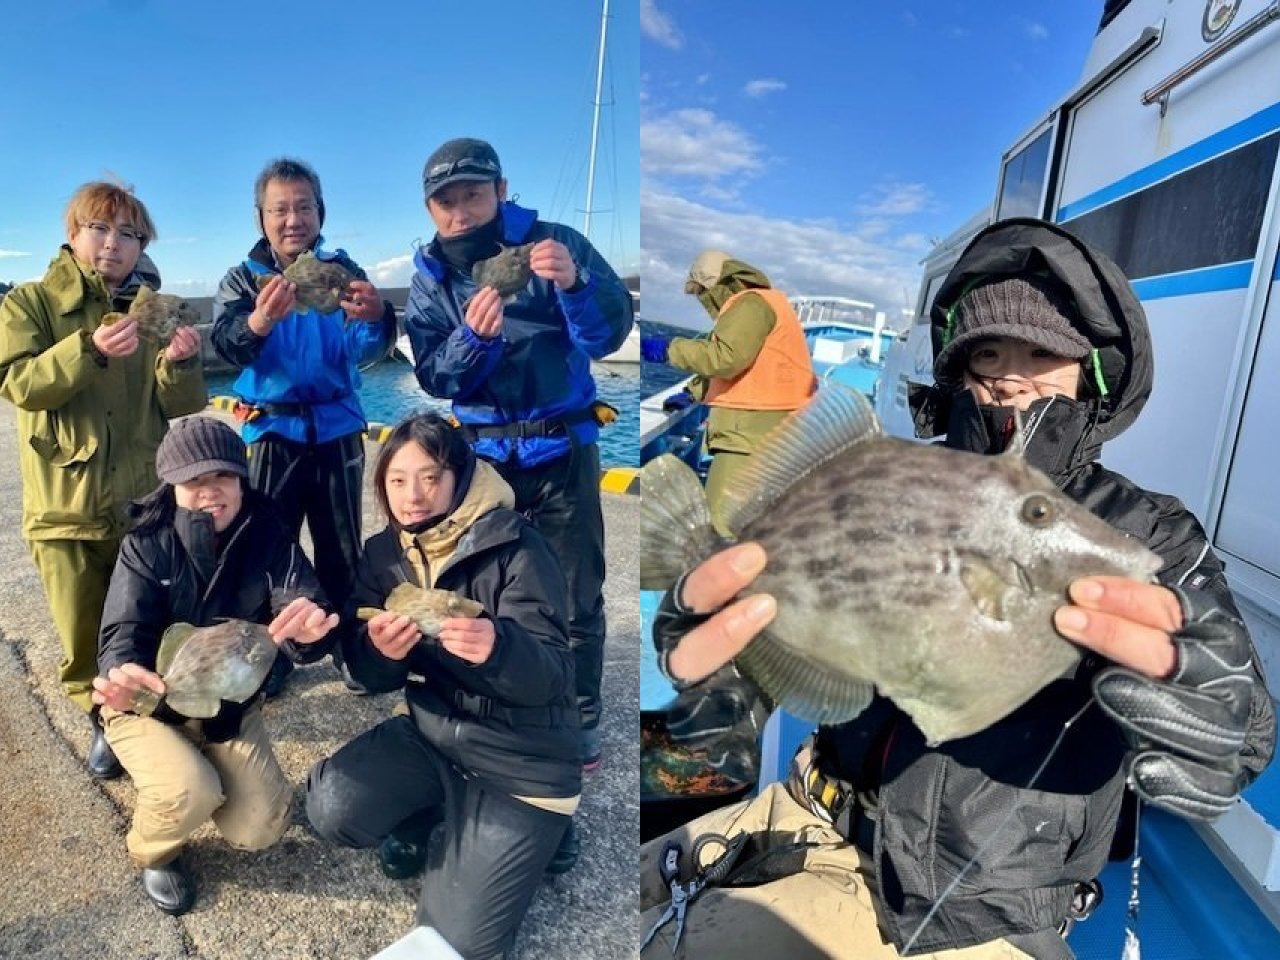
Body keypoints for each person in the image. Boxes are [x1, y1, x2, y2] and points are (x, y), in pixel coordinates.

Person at [638, 218, 1276, 958]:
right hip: (806, 812)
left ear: (1091, 374)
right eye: (986, 353)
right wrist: (713, 667)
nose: (1008, 374)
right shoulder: (897, 474)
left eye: (1043, 353)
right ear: (956, 372)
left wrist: (1218, 719)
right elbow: (731, 715)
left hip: (980, 906)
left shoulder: (1150, 534)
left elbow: (1242, 724)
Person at [305, 413, 581, 959]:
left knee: (460, 944)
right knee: (329, 807)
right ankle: (439, 810)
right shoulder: (385, 554)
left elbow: (554, 675)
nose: (414, 496)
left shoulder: (518, 546)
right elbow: (362, 670)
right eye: (398, 480)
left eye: (430, 477)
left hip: (520, 761)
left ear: (458, 476)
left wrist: (500, 649)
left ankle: (545, 829)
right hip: (434, 736)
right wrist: (377, 653)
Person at [402, 137, 634, 774]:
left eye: (473, 194)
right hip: (482, 462)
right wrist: (475, 340)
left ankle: (579, 711)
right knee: (482, 590)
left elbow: (606, 334)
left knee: (577, 593)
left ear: (502, 191)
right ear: (430, 209)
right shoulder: (429, 278)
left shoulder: (555, 242)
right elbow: (435, 376)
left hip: (562, 449)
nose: (460, 211)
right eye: (444, 200)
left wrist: (579, 283)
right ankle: (490, 697)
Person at [91, 415, 339, 916]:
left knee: (262, 825)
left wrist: (309, 636)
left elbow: (299, 599)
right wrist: (123, 678)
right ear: (172, 487)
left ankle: (189, 767)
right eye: (194, 481)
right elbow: (122, 634)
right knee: (190, 791)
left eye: (223, 476)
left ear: (242, 480)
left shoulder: (268, 532)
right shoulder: (145, 543)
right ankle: (155, 849)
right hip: (151, 701)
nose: (210, 491)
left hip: (226, 702)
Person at [0, 181, 206, 780]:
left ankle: (153, 714)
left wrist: (182, 361)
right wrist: (87, 350)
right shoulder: (30, 304)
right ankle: (105, 723)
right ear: (73, 234)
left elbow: (182, 404)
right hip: (67, 508)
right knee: (83, 631)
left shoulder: (150, 309)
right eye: (100, 229)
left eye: (128, 234)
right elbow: (19, 384)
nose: (112, 245)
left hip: (142, 502)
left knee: (149, 617)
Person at [211, 157, 395, 697]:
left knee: (343, 547)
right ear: (261, 217)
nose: (293, 219)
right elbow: (224, 344)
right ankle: (274, 657)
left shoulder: (343, 270)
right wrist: (258, 322)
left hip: (338, 430)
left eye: (304, 207)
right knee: (270, 551)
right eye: (280, 209)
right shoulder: (242, 278)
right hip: (271, 434)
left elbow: (368, 351)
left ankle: (346, 646)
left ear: (321, 212)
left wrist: (378, 320)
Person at [640, 251, 814, 532]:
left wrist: (668, 348)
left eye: (700, 293)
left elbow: (727, 357)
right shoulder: (765, 302)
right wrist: (696, 391)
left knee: (722, 528)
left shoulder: (750, 305)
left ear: (714, 287)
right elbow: (753, 365)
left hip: (750, 435)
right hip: (771, 431)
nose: (700, 301)